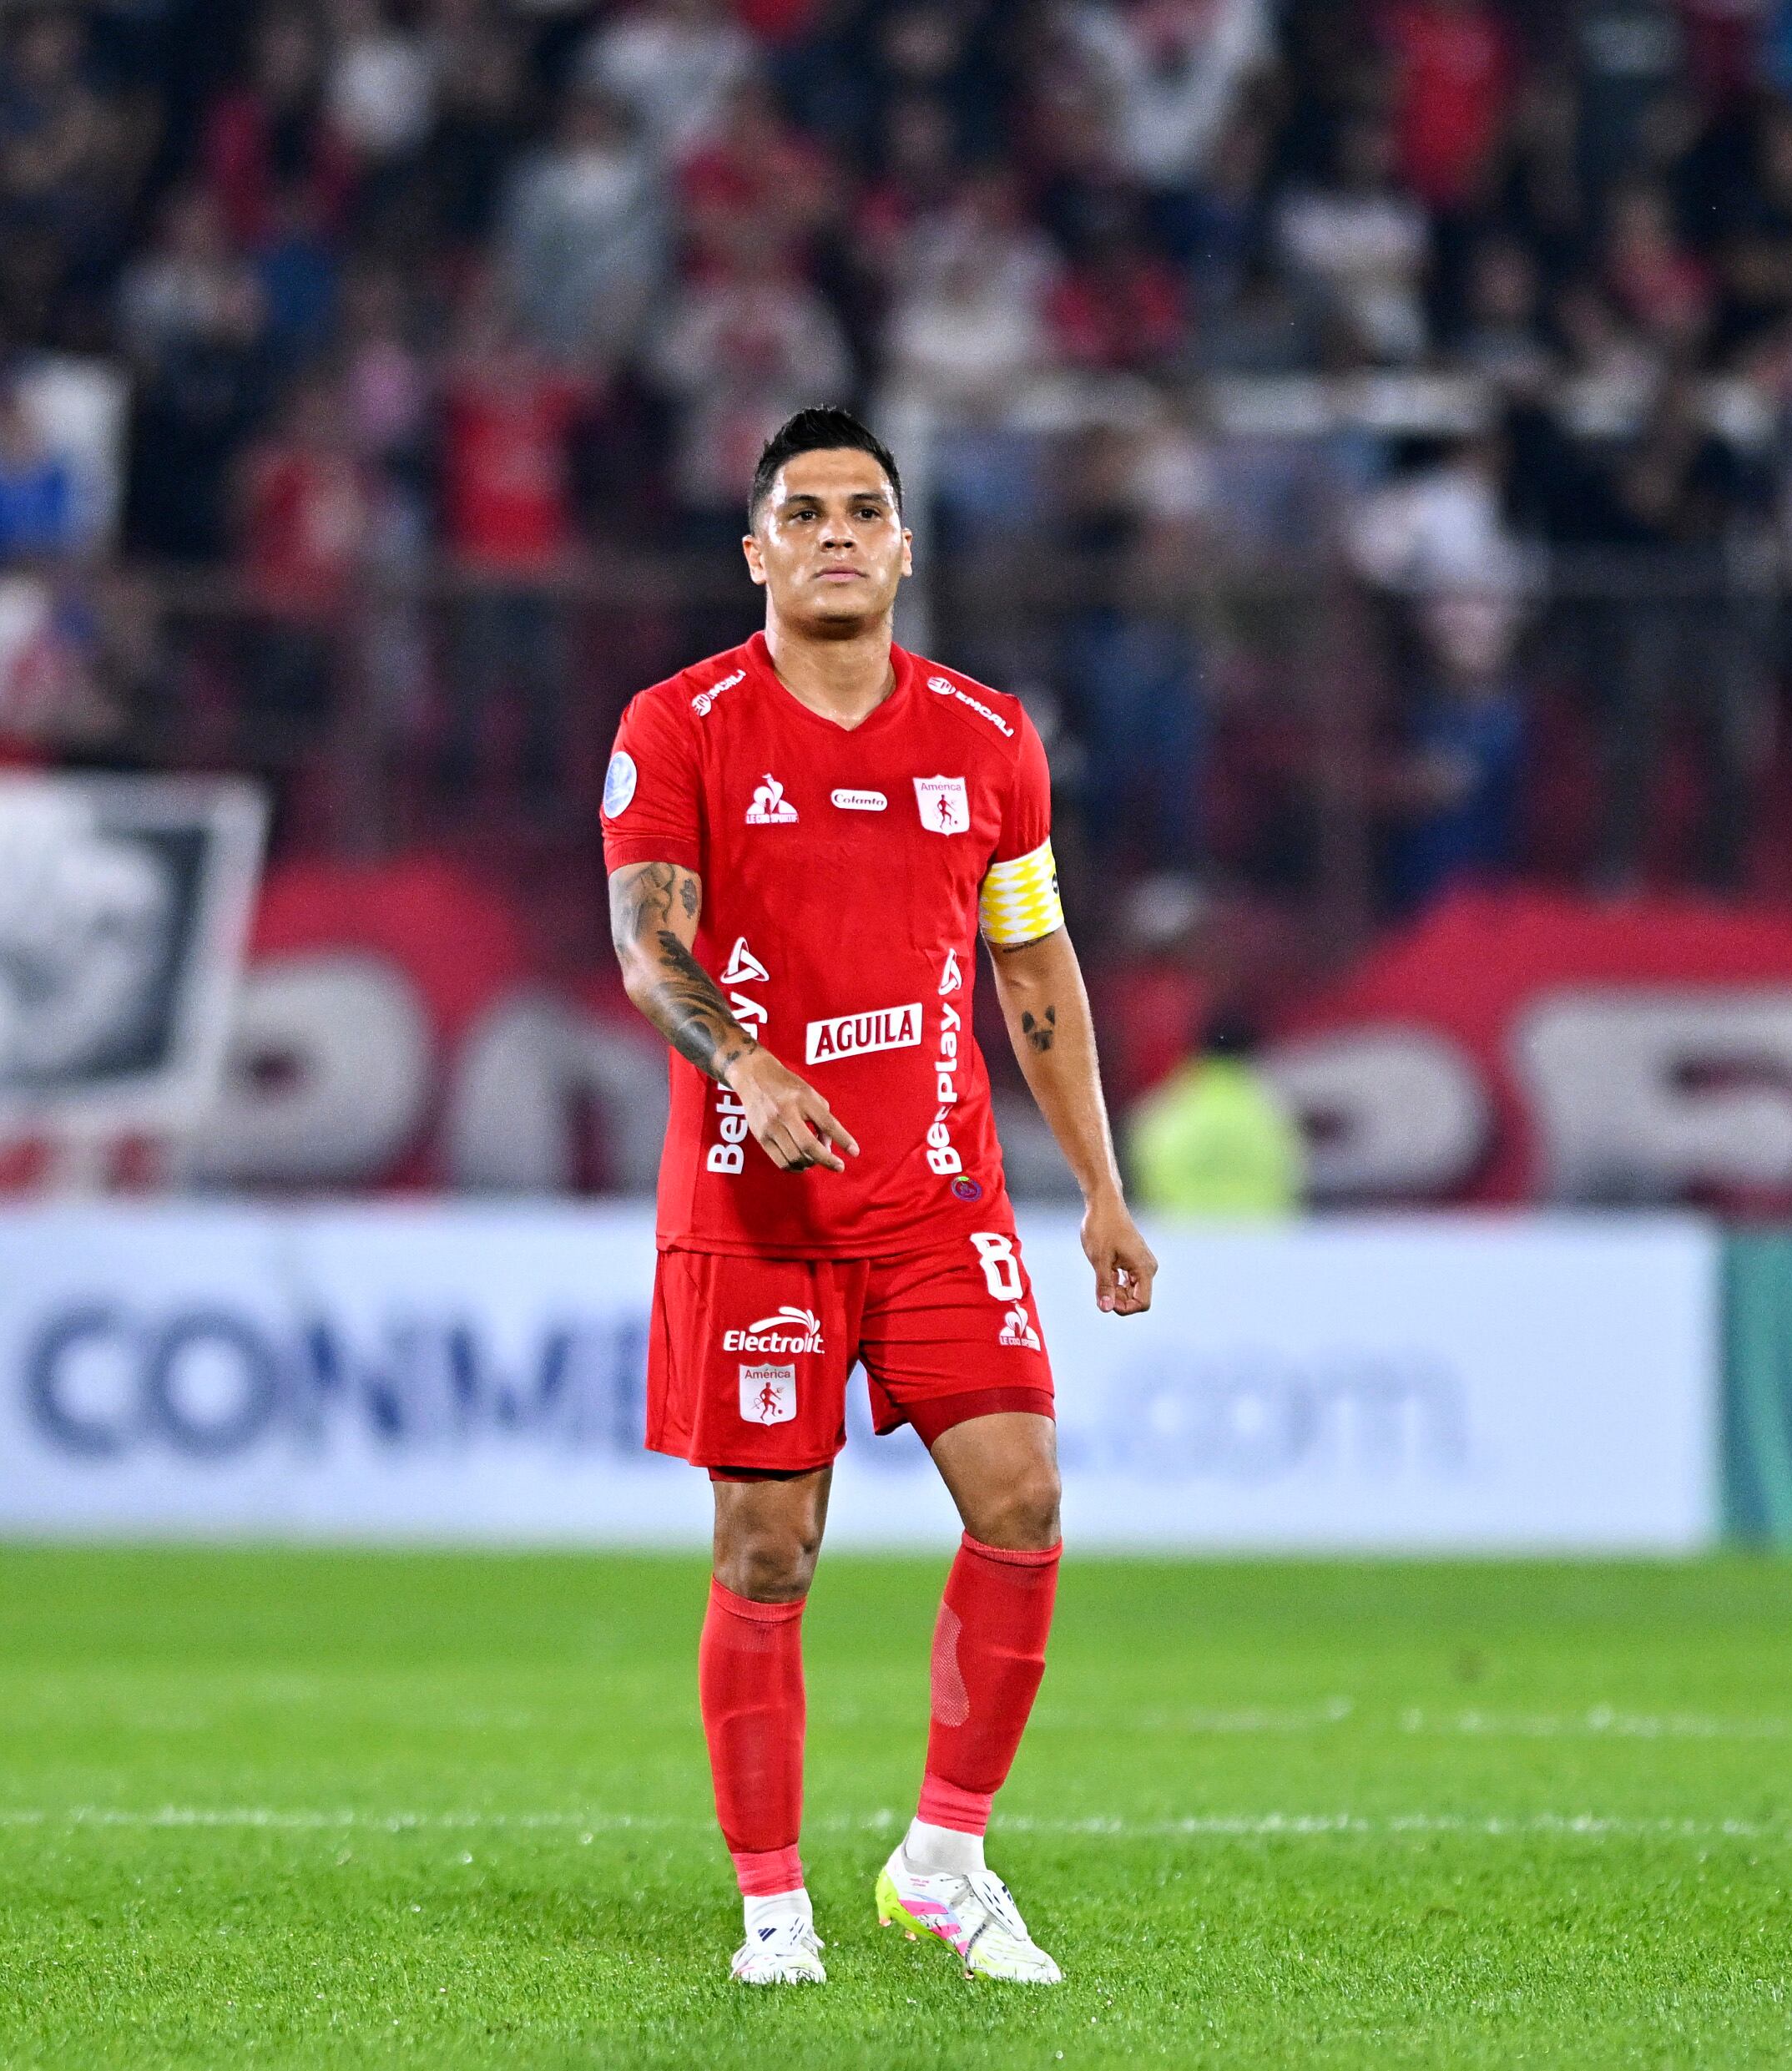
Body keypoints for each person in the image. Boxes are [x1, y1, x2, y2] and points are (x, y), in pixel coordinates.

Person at [600, 407, 1158, 1988]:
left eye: (864, 510)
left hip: (937, 1201)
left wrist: (1102, 1190)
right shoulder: (681, 723)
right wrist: (750, 1068)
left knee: (1028, 1503)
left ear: (905, 547)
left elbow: (1031, 961)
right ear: (757, 551)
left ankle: (945, 1856)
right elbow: (651, 945)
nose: (836, 533)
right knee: (770, 1549)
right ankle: (772, 1901)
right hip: (753, 1202)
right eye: (805, 512)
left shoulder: (988, 739)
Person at [1126, 1011, 1305, 1219]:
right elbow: (1293, 1180)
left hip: (1178, 1242)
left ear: (1195, 1052)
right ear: (1253, 1054)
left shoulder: (1163, 1114)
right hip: (1260, 1242)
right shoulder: (1275, 1117)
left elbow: (1141, 1177)